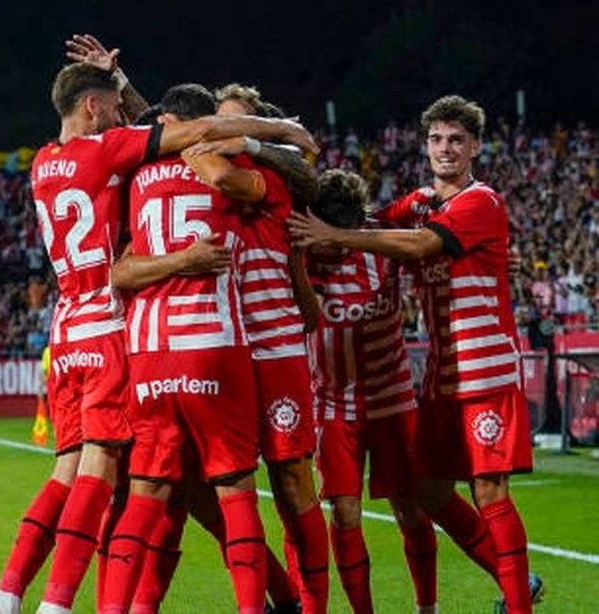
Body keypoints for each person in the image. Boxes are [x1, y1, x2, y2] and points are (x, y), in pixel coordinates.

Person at [0, 38, 316, 614]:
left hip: (79, 333)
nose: (117, 118)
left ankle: (12, 593)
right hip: (138, 332)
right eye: (110, 108)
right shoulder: (122, 154)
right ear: (92, 108)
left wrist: (124, 84)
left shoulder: (44, 163)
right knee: (173, 486)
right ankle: (59, 605)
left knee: (116, 483)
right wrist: (278, 134)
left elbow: (157, 130)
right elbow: (180, 133)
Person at [288, 95, 541, 613]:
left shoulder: (481, 201)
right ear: (425, 146)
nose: (445, 149)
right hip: (440, 380)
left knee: (489, 491)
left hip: (483, 369)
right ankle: (515, 579)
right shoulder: (422, 201)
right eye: (436, 139)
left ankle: (518, 603)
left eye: (456, 140)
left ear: (474, 147)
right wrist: (319, 221)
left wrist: (335, 234)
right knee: (427, 492)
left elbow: (420, 246)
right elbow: (372, 219)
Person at [102, 83, 265, 614]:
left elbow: (120, 271)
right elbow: (296, 177)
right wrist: (281, 134)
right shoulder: (227, 166)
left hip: (150, 353)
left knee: (146, 492)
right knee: (236, 489)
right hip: (215, 341)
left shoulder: (137, 178)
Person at [187, 83, 328, 613]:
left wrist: (260, 140)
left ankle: (310, 605)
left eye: (234, 125)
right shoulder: (198, 183)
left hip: (274, 349)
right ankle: (281, 597)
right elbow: (165, 125)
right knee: (210, 489)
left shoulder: (264, 179)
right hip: (221, 351)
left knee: (293, 487)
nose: (220, 131)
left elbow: (194, 145)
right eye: (215, 122)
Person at [303, 169, 439, 613]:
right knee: (344, 516)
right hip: (332, 404)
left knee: (410, 511)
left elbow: (436, 242)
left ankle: (427, 607)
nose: (334, 247)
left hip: (392, 398)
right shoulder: (301, 251)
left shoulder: (382, 243)